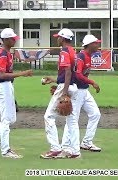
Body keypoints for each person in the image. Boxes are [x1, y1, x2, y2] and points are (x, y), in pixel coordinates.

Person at [0, 28, 33, 159]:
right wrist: (22, 73)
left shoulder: (6, 53)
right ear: (6, 40)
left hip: (7, 86)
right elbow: (2, 75)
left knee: (11, 119)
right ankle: (5, 150)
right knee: (7, 120)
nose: (15, 40)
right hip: (3, 86)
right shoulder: (3, 54)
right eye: (12, 38)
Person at [40, 28, 80, 159]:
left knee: (48, 117)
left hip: (66, 86)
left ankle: (55, 149)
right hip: (73, 86)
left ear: (63, 39)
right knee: (72, 120)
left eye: (58, 37)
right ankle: (75, 150)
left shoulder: (64, 51)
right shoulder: (73, 51)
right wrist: (56, 82)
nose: (57, 39)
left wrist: (63, 92)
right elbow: (69, 73)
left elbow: (68, 71)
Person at [61, 34, 102, 152]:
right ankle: (65, 145)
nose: (98, 45)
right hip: (77, 91)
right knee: (73, 118)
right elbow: (78, 74)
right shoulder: (81, 56)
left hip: (84, 91)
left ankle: (86, 142)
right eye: (96, 43)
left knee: (95, 114)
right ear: (89, 45)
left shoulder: (88, 56)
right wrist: (92, 82)